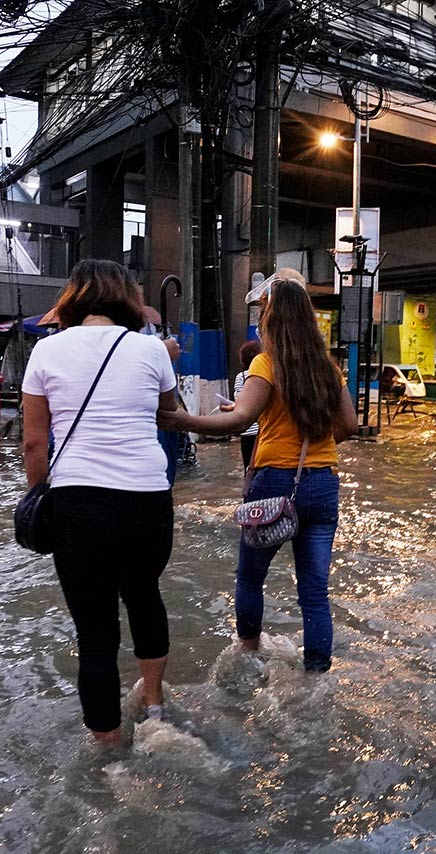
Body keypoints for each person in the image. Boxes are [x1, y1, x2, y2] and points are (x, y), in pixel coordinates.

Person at [160, 275, 358, 673]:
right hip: (321, 483)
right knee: (315, 593)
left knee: (251, 577)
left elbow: (243, 420)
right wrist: (314, 438)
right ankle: (317, 673)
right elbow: (349, 426)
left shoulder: (266, 363)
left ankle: (248, 657)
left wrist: (184, 420)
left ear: (272, 319)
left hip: (274, 481)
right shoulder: (328, 367)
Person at [22, 259, 181, 746]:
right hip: (147, 500)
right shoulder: (151, 349)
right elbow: (169, 414)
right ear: (127, 298)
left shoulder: (46, 351)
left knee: (94, 632)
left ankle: (108, 747)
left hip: (78, 503)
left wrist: (39, 494)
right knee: (144, 595)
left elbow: (34, 443)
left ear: (73, 297)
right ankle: (153, 704)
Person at [233, 339, 262, 470]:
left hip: (247, 432)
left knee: (249, 469)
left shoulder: (242, 377)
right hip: (264, 432)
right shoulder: (267, 375)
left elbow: (239, 401)